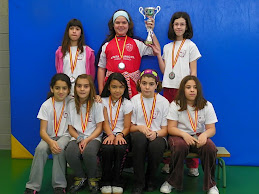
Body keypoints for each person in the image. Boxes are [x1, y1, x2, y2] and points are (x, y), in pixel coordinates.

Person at [152, 12, 201, 175]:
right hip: (168, 89)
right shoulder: (167, 47)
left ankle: (193, 165)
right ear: (172, 27)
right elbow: (165, 70)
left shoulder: (190, 46)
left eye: (182, 24)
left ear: (187, 27)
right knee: (168, 125)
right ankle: (167, 162)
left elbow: (193, 71)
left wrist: (191, 89)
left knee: (189, 124)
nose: (179, 27)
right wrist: (158, 54)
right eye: (176, 24)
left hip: (184, 90)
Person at [160, 75, 219, 194]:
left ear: (198, 90)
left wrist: (205, 135)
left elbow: (212, 129)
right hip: (179, 136)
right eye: (188, 87)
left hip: (198, 137)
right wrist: (184, 135)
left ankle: (211, 184)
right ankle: (171, 182)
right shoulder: (175, 104)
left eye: (195, 87)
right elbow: (171, 128)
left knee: (210, 148)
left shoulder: (207, 105)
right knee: (179, 146)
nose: (192, 90)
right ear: (183, 90)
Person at [24, 73, 72, 194]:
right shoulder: (46, 105)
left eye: (64, 88)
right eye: (57, 88)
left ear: (69, 90)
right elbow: (42, 131)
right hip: (48, 137)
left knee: (59, 147)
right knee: (40, 149)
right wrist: (50, 142)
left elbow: (88, 99)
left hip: (65, 136)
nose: (61, 91)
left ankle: (59, 186)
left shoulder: (72, 102)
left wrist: (96, 97)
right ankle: (32, 186)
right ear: (52, 89)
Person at [97, 9, 160, 98]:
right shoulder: (106, 45)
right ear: (113, 25)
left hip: (133, 88)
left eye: (124, 22)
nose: (121, 25)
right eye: (117, 22)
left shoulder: (137, 43)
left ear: (128, 25)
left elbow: (156, 50)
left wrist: (151, 31)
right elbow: (101, 69)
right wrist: (101, 92)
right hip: (112, 87)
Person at [130, 69, 169, 194]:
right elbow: (130, 127)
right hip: (139, 133)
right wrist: (139, 128)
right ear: (139, 83)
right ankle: (138, 183)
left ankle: (151, 180)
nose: (147, 87)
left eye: (151, 84)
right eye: (144, 83)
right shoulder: (134, 100)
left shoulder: (163, 102)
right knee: (139, 140)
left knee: (156, 146)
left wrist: (156, 133)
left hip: (158, 135)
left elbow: (166, 129)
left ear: (156, 85)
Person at [65, 74, 104, 194]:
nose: (82, 89)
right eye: (79, 86)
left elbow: (99, 128)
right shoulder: (71, 104)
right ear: (75, 88)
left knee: (89, 152)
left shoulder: (96, 104)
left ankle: (93, 178)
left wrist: (87, 140)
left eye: (86, 86)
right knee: (70, 152)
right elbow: (70, 128)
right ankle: (80, 177)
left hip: (94, 137)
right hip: (77, 137)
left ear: (91, 88)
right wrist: (80, 138)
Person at [100, 73, 132, 194]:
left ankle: (117, 180)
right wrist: (110, 135)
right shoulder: (102, 102)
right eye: (114, 87)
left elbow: (127, 126)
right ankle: (105, 181)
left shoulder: (127, 103)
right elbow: (105, 122)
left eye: (120, 87)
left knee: (120, 148)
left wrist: (120, 135)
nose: (117, 90)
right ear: (108, 87)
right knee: (107, 148)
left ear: (124, 88)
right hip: (107, 133)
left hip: (122, 134)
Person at [55, 18, 95, 95]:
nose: (74, 31)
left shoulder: (88, 51)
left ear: (81, 33)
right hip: (65, 90)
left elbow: (91, 74)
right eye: (71, 29)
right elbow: (58, 70)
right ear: (67, 31)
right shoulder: (60, 51)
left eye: (77, 29)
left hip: (82, 91)